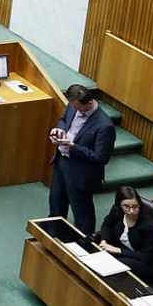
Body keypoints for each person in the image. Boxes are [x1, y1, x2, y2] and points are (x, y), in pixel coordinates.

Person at [50, 84, 116, 234]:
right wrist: (60, 129)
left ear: (89, 103)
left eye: (78, 107)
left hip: (81, 172)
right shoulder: (73, 104)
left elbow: (101, 158)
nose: (75, 109)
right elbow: (64, 120)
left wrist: (72, 146)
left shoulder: (105, 126)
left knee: (82, 214)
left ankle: (84, 243)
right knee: (56, 202)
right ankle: (53, 234)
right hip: (62, 163)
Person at [92, 187, 153, 284]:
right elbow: (107, 225)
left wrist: (117, 250)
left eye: (135, 207)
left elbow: (146, 257)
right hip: (130, 252)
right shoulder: (117, 210)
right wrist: (104, 240)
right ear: (119, 205)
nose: (131, 211)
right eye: (126, 206)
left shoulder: (149, 227)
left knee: (115, 263)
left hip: (152, 263)